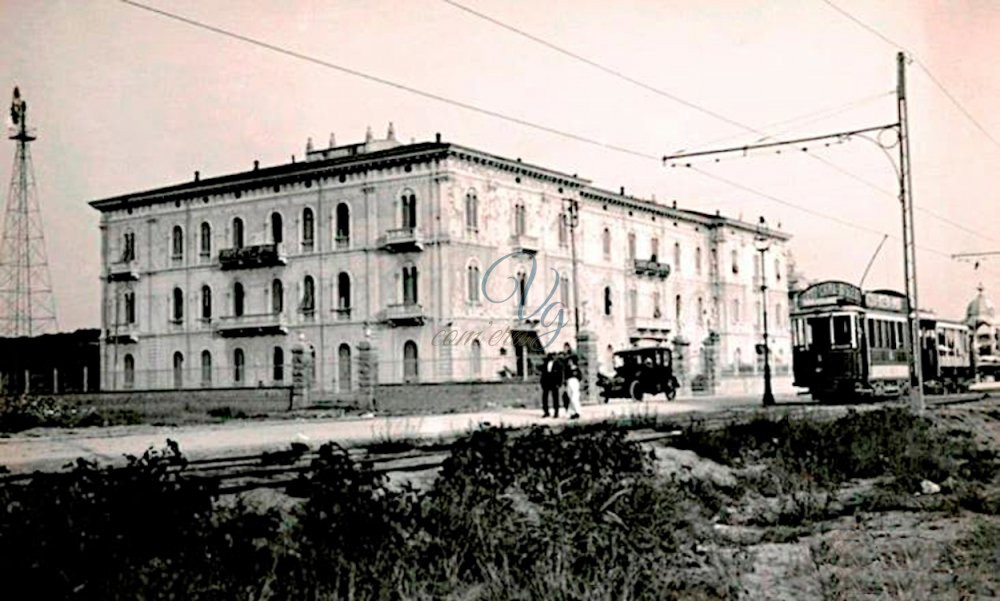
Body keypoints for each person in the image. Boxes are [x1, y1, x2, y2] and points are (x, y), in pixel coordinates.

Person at [539, 352, 563, 418]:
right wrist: (542, 383)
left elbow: (560, 375)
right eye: (551, 356)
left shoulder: (558, 365)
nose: (552, 357)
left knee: (555, 398)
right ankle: (546, 412)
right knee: (545, 398)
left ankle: (556, 412)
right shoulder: (545, 364)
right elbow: (543, 374)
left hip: (554, 383)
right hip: (546, 383)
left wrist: (559, 383)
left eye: (554, 356)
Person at [564, 345, 582, 420]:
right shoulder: (567, 369)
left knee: (575, 397)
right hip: (569, 382)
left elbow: (580, 377)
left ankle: (577, 411)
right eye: (569, 361)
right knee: (570, 397)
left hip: (574, 382)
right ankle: (572, 412)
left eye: (570, 361)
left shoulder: (576, 369)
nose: (569, 362)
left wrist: (577, 381)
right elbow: (566, 376)